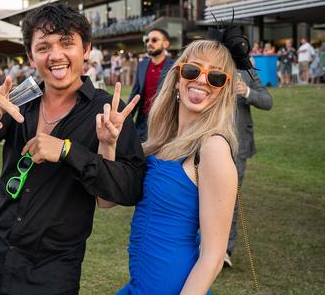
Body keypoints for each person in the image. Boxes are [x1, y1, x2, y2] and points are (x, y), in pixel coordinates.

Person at [0, 3, 145, 294]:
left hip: (51, 270)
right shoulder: (19, 98)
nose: (56, 55)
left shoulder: (108, 110)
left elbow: (130, 187)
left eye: (67, 43)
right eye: (44, 47)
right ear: (31, 56)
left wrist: (69, 151)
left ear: (86, 49)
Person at [108, 37, 242, 294]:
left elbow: (213, 257)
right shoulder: (160, 140)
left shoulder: (213, 148)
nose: (202, 80)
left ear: (224, 90)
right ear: (178, 77)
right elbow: (106, 200)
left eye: (216, 77)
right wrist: (109, 144)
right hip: (140, 284)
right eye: (193, 70)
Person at [224, 67, 272, 267]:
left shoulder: (249, 71)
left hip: (239, 144)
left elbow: (267, 101)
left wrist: (247, 92)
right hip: (207, 139)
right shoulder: (211, 63)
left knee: (230, 198)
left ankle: (224, 250)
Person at [128, 28, 175, 141]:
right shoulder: (142, 65)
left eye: (154, 40)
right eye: (147, 40)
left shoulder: (175, 67)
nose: (149, 43)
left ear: (165, 44)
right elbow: (136, 93)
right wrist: (125, 116)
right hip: (142, 122)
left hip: (164, 123)